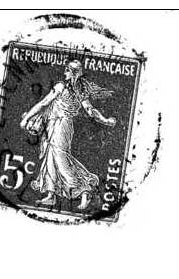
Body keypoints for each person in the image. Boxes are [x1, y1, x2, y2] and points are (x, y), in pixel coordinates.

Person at [19, 60, 117, 210]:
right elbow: (91, 111)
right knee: (50, 157)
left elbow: (44, 103)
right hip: (55, 124)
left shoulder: (64, 87)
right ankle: (51, 195)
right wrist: (105, 120)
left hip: (61, 125)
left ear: (71, 72)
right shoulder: (80, 90)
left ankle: (84, 190)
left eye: (66, 70)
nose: (64, 72)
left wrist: (26, 118)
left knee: (61, 159)